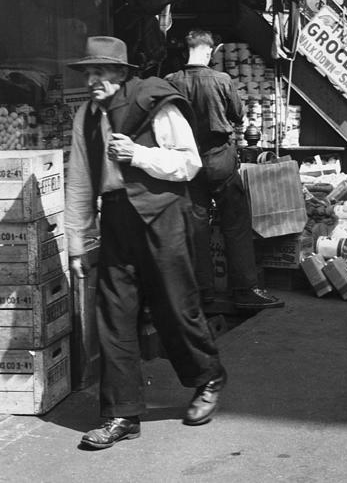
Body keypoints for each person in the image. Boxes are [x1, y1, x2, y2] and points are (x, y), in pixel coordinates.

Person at [65, 37, 226, 450]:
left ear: (121, 74)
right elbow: (81, 181)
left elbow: (189, 163)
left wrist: (138, 154)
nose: (93, 80)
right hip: (118, 218)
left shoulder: (156, 103)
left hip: (163, 215)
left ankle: (207, 379)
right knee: (114, 316)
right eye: (88, 73)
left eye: (101, 72)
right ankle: (122, 414)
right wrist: (78, 243)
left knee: (176, 306)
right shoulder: (86, 116)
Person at [166, 29, 283, 312]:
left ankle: (202, 291)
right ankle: (243, 289)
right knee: (236, 224)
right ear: (211, 51)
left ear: (187, 49)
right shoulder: (222, 80)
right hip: (220, 159)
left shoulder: (171, 81)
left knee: (196, 228)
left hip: (188, 161)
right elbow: (238, 115)